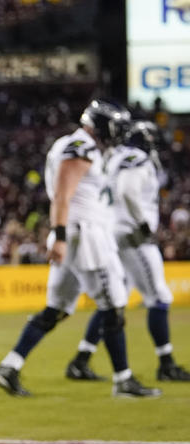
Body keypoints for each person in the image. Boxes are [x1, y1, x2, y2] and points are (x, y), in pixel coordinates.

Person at [0, 99, 160, 398]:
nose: (118, 134)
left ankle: (9, 366)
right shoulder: (80, 147)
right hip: (84, 236)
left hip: (76, 234)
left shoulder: (79, 145)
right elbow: (62, 195)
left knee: (56, 309)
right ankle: (123, 379)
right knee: (113, 306)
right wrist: (59, 236)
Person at [65, 120, 190, 383]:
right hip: (131, 236)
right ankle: (166, 363)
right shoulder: (137, 158)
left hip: (111, 232)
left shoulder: (113, 157)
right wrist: (142, 223)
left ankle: (81, 358)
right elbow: (127, 191)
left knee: (114, 300)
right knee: (159, 296)